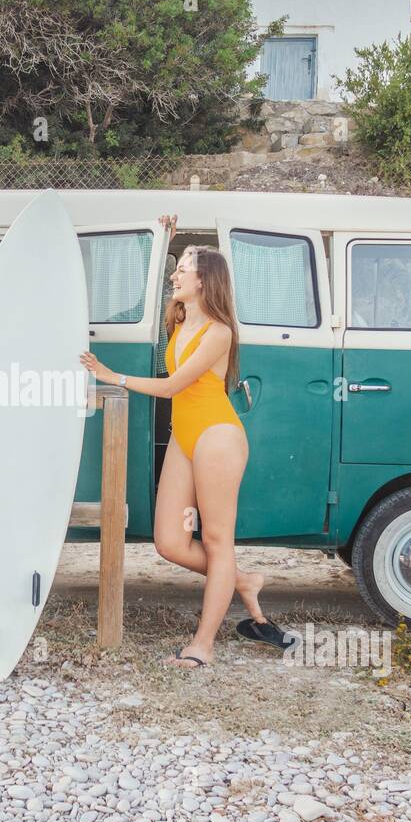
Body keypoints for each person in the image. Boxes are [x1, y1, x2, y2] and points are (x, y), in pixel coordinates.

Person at [80, 216, 286, 669]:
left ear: (204, 280)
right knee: (169, 542)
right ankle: (243, 581)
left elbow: (173, 387)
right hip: (185, 438)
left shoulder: (219, 333)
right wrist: (165, 245)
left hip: (217, 437)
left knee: (216, 541)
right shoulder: (179, 323)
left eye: (184, 267)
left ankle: (203, 645)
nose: (177, 274)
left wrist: (111, 376)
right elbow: (161, 298)